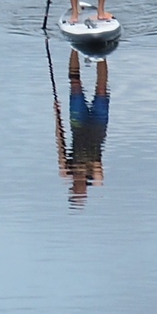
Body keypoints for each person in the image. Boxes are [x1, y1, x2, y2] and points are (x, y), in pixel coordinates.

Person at [56, 49, 111, 205]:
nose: (80, 191)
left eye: (76, 193)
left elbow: (60, 142)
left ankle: (74, 48)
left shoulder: (67, 169)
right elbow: (99, 170)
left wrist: (57, 116)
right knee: (101, 89)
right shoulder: (94, 177)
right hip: (98, 128)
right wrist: (85, 175)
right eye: (81, 194)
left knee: (75, 84)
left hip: (78, 125)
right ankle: (101, 52)